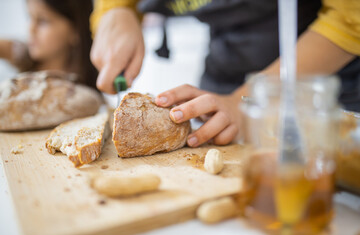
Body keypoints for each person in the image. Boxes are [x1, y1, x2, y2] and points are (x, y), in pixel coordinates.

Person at [90, 0, 360, 147]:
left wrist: (248, 102)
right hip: (223, 75)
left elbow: (351, 17)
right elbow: (113, 6)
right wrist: (115, 11)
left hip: (321, 89)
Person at [0, 0, 97, 89]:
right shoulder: (24, 56)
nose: (31, 29)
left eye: (43, 21)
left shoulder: (85, 92)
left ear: (76, 31)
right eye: (30, 17)